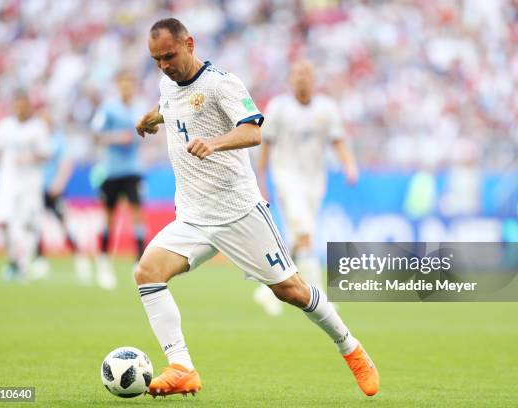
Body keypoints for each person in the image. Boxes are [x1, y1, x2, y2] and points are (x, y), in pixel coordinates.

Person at [134, 18, 379, 398]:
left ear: (189, 44)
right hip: (193, 217)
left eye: (169, 55)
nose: (164, 65)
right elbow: (174, 104)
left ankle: (351, 348)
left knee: (292, 291)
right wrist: (154, 116)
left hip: (238, 212)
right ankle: (181, 366)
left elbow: (253, 131)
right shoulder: (167, 83)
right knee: (148, 272)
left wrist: (213, 144)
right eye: (156, 59)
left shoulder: (221, 83)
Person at [254, 60, 359, 315]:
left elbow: (338, 140)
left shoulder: (327, 108)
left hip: (315, 181)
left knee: (297, 238)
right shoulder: (279, 107)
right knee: (305, 233)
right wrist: (261, 178)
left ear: (314, 79)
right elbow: (266, 143)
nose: (302, 79)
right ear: (290, 79)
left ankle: (267, 291)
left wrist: (349, 165)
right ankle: (319, 296)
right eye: (297, 74)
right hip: (286, 177)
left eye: (307, 74)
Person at [0, 90, 51, 280]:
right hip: (7, 182)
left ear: (29, 105)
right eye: (17, 103)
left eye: (23, 103)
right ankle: (14, 259)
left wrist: (31, 156)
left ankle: (22, 265)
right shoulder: (5, 126)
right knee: (3, 221)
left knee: (27, 225)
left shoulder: (37, 128)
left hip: (30, 184)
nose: (20, 107)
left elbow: (46, 154)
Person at [91, 71, 148, 290]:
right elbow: (95, 134)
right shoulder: (108, 109)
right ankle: (104, 261)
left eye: (130, 84)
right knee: (109, 217)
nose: (127, 88)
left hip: (132, 168)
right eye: (123, 84)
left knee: (137, 213)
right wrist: (116, 138)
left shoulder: (139, 107)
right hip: (111, 170)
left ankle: (139, 261)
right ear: (118, 85)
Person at [30, 112, 92, 283]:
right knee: (36, 224)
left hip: (55, 189)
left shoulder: (58, 140)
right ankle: (39, 260)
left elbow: (66, 163)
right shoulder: (36, 140)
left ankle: (80, 257)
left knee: (64, 223)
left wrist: (59, 184)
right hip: (37, 188)